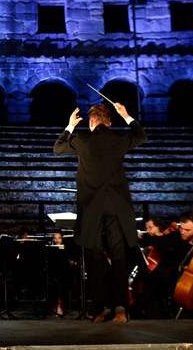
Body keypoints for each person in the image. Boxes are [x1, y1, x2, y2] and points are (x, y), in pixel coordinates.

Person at [53, 101, 147, 323]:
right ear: (110, 122)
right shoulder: (119, 138)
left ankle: (98, 310)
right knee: (119, 256)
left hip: (92, 207)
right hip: (115, 205)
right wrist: (127, 115)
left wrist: (70, 126)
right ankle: (121, 306)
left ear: (92, 121)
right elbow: (141, 136)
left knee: (94, 257)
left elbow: (58, 147)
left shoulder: (83, 139)